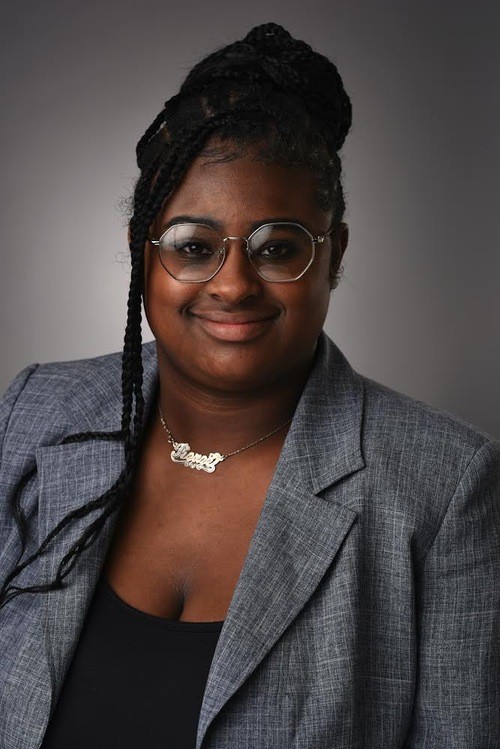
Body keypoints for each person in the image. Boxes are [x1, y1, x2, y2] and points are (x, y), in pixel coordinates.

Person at [0, 21, 499, 749]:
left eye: (277, 248)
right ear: (143, 253)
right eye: (194, 246)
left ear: (334, 254)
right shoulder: (33, 414)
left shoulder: (445, 487)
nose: (233, 284)